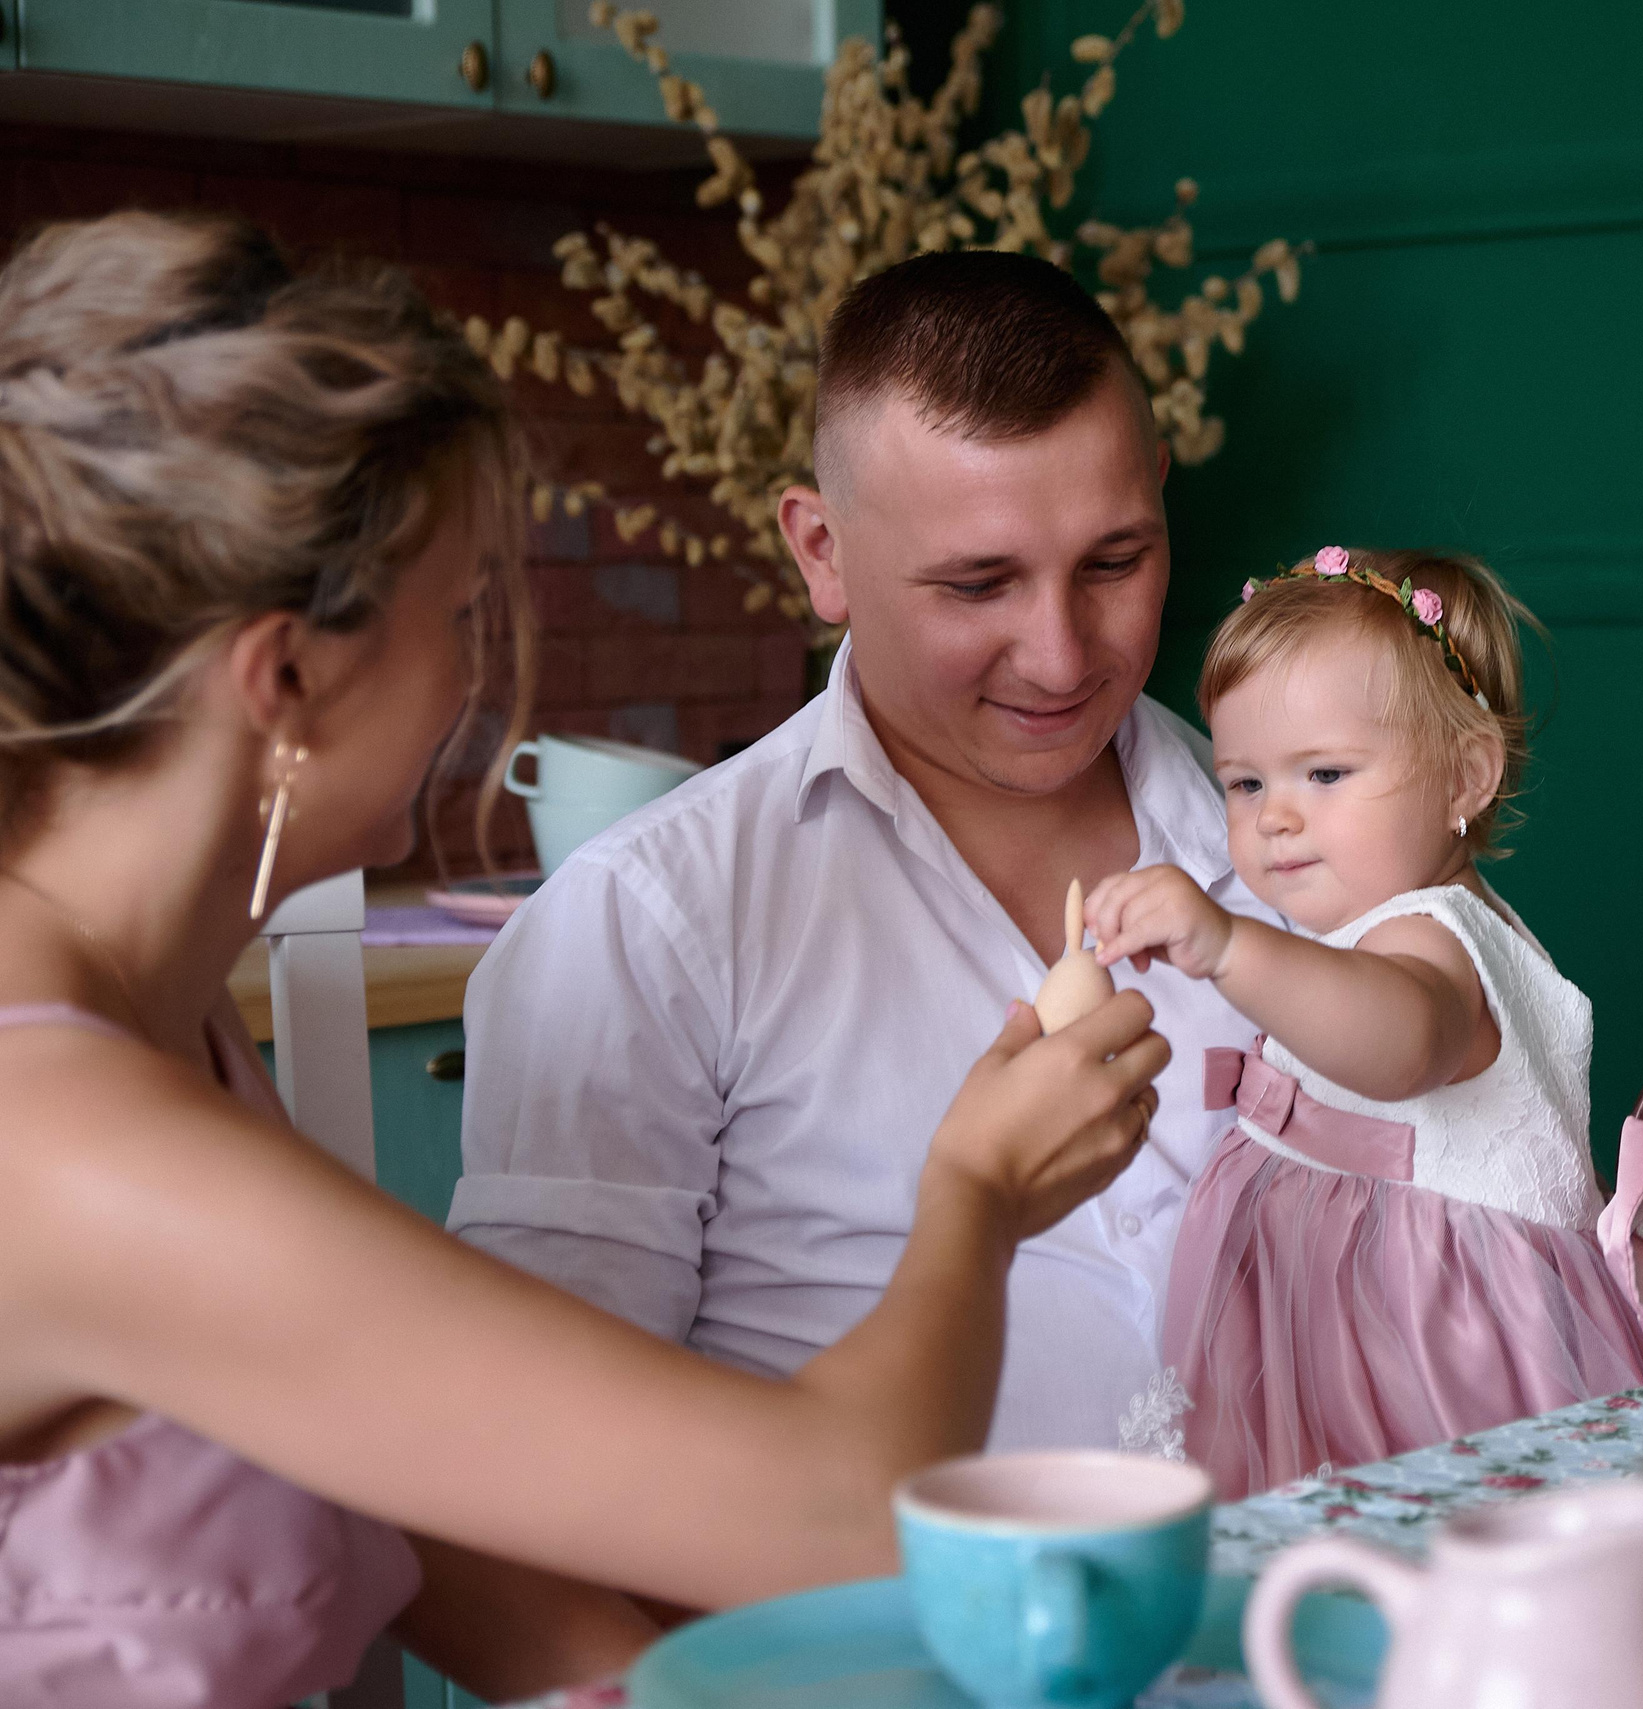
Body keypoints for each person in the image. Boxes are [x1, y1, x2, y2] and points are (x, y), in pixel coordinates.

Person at [0, 211, 1166, 1706]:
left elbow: (418, 1480)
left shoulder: (147, 1025)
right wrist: (977, 1198)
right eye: (464, 609)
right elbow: (847, 1512)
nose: (487, 668)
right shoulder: (72, 1141)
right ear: (285, 679)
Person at [448, 250, 1282, 1453]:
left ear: (1159, 493)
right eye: (976, 582)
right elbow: (529, 1467)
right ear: (821, 550)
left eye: (1114, 561)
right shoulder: (648, 920)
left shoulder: (1308, 845)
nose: (1059, 654)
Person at [1085, 546, 1643, 1497]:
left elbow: (1397, 1044)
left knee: (1435, 1546)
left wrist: (1226, 944)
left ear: (1465, 778)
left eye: (1326, 773)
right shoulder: (1373, 926)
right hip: (1325, 1334)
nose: (1276, 819)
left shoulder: (1437, 943)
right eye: (1246, 783)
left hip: (1425, 1352)